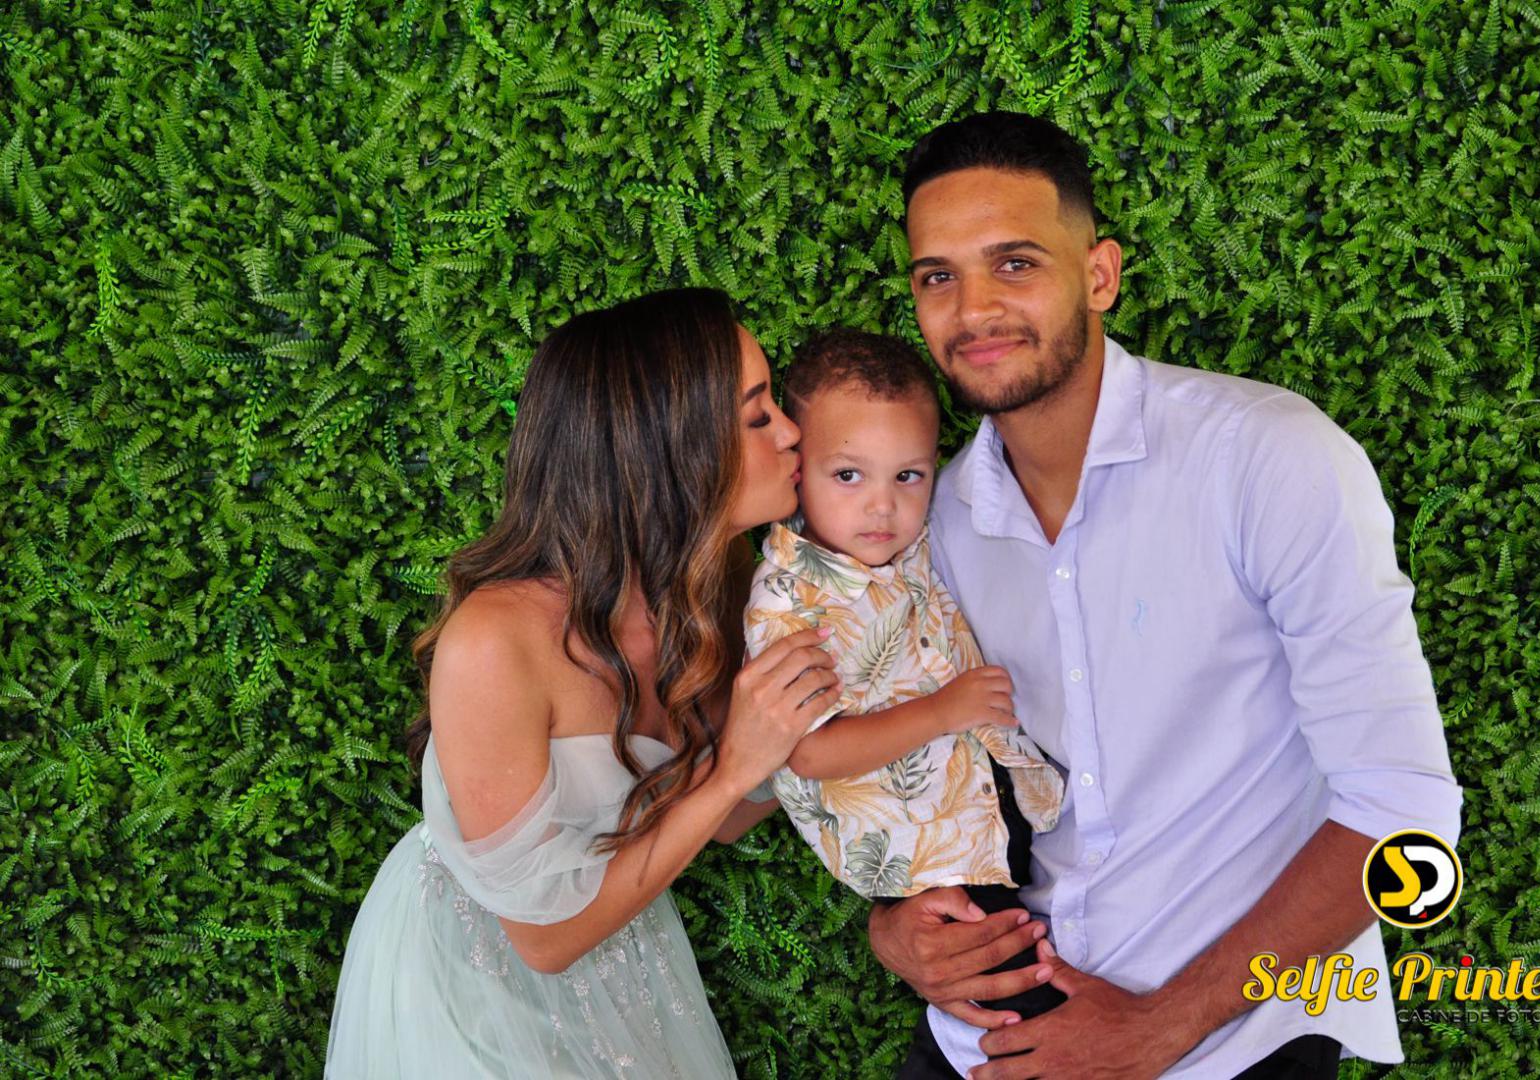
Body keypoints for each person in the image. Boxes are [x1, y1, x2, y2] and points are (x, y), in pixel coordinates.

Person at [867, 112, 1463, 1079]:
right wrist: (893, 922)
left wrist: (1158, 1028)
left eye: (1014, 263)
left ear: (1099, 274)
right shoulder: (930, 522)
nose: (973, 309)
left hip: (1236, 1043)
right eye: (938, 276)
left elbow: (1405, 813)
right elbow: (920, 768)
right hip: (992, 1035)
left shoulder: (1266, 459)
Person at [325, 287, 836, 1079]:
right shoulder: (496, 641)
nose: (792, 431)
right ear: (668, 451)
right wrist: (739, 763)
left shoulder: (715, 589)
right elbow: (543, 939)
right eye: (755, 414)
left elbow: (726, 818)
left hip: (626, 948)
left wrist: (826, 720)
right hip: (477, 978)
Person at [742, 329, 1067, 1022]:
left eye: (907, 476)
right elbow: (808, 751)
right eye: (848, 476)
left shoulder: (913, 542)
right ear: (797, 466)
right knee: (1029, 1007)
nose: (881, 506)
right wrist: (943, 711)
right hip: (925, 859)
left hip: (995, 816)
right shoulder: (789, 603)